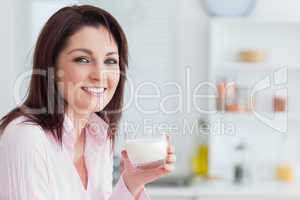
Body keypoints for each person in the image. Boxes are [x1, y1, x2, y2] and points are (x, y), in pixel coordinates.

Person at [0, 5, 176, 200]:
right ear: (51, 66)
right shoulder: (27, 138)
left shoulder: (98, 135)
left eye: (110, 61)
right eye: (82, 59)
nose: (100, 75)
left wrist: (132, 182)